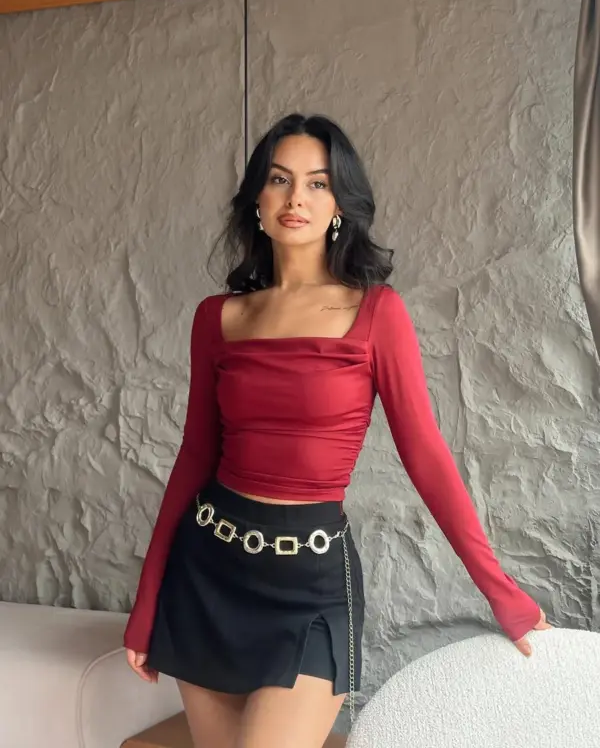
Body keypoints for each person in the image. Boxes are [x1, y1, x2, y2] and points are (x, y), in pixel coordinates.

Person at [123, 113, 551, 748]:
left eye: (317, 183)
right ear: (257, 200)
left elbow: (427, 457)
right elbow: (194, 457)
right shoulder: (217, 318)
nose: (296, 197)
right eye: (279, 179)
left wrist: (501, 591)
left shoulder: (377, 313)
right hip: (207, 572)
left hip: (310, 587)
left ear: (339, 206)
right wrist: (147, 602)